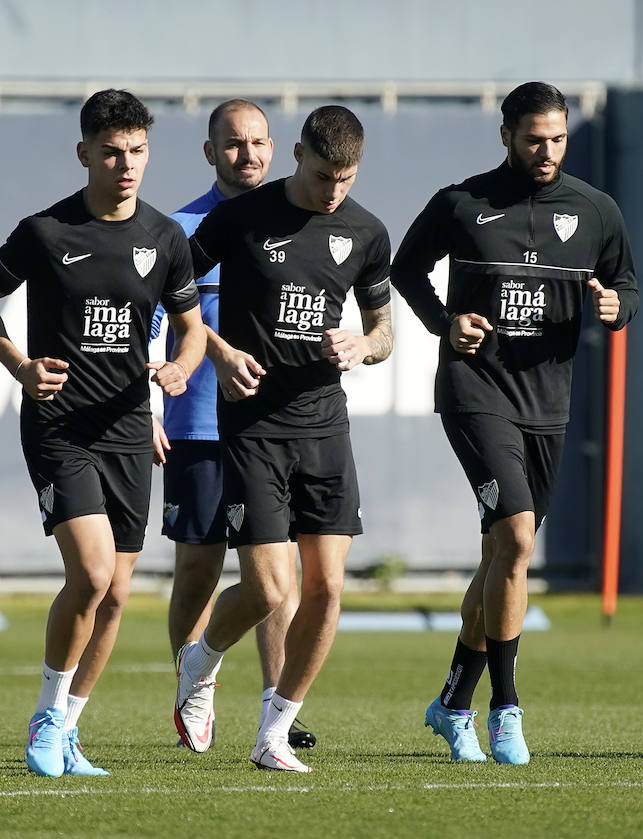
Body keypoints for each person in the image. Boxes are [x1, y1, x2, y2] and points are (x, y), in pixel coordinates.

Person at [390, 81, 639, 765]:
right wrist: (448, 323)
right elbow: (405, 269)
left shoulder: (595, 210)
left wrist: (618, 308)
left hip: (548, 404)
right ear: (506, 135)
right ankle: (506, 707)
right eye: (535, 138)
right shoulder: (461, 203)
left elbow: (628, 285)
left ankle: (450, 702)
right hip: (474, 391)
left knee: (505, 557)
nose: (548, 150)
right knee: (517, 537)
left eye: (557, 138)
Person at [0, 89, 205, 778]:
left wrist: (182, 370)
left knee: (119, 593)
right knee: (92, 574)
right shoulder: (46, 232)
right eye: (111, 153)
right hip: (60, 425)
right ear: (84, 154)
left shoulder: (165, 238)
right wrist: (20, 365)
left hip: (129, 427)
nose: (126, 165)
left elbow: (191, 331)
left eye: (137, 151)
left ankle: (69, 728)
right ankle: (45, 712)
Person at [172, 105, 393, 772]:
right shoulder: (239, 219)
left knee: (327, 590)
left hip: (325, 424)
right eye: (324, 175)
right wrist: (216, 350)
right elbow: (170, 290)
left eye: (346, 179)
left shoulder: (367, 231)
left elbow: (385, 332)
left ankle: (274, 732)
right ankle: (201, 657)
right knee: (270, 590)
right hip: (254, 427)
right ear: (296, 155)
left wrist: (363, 343)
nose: (333, 192)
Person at [149, 99, 315, 751]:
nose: (248, 155)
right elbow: (155, 322)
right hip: (198, 424)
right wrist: (149, 400)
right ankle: (194, 685)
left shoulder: (298, 222)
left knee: (272, 572)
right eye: (233, 144)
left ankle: (278, 709)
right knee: (198, 567)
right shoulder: (182, 228)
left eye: (257, 142)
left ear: (275, 149)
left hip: (274, 426)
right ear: (210, 152)